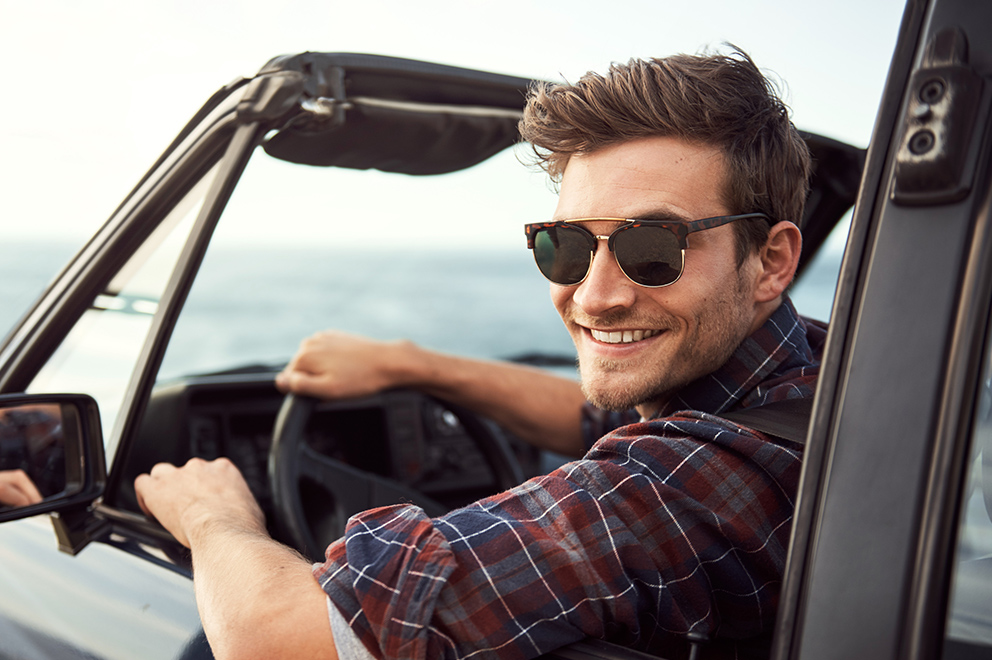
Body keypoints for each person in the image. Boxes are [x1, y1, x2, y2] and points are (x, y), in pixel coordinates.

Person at [135, 47, 822, 660]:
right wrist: (416, 365)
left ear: (771, 260)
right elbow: (599, 420)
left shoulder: (696, 484)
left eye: (653, 248)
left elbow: (276, 640)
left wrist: (214, 517)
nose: (593, 296)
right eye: (568, 246)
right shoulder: (813, 376)